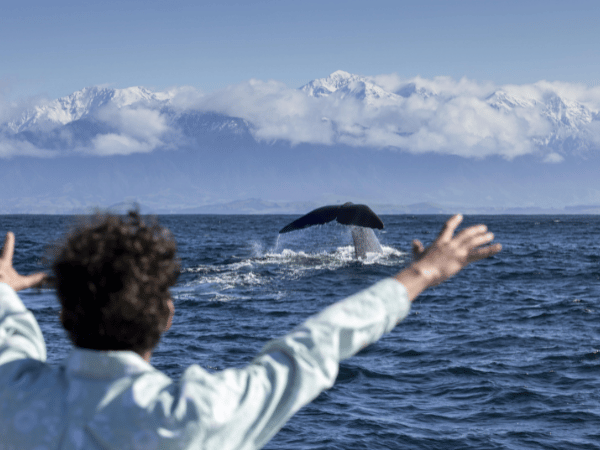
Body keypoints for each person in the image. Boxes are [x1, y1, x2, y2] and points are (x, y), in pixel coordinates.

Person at [0, 211, 501, 450]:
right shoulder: (196, 415)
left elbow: (13, 341)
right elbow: (314, 345)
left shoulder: (14, 397)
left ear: (64, 316)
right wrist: (423, 274)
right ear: (167, 316)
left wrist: (7, 289)